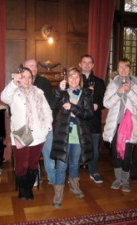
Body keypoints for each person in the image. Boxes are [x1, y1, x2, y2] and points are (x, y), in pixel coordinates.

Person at [1, 66, 52, 200]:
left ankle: (28, 189)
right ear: (18, 78)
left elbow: (47, 110)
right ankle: (22, 189)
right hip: (21, 133)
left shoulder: (38, 92)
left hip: (38, 134)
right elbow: (4, 97)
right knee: (21, 164)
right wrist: (13, 83)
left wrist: (47, 126)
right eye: (23, 77)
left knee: (33, 164)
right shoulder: (14, 92)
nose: (27, 80)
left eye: (29, 77)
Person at [50, 67, 94, 208]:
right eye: (71, 77)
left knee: (75, 163)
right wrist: (58, 91)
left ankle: (74, 186)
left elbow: (89, 114)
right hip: (64, 135)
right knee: (61, 165)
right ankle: (58, 193)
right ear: (67, 79)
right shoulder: (62, 93)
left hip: (79, 136)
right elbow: (53, 106)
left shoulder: (86, 94)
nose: (74, 80)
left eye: (77, 77)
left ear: (80, 79)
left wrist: (73, 108)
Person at [103, 58, 137, 192]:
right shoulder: (113, 84)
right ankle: (117, 178)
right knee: (116, 153)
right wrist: (118, 92)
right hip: (115, 125)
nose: (123, 70)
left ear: (129, 69)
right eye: (121, 67)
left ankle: (125, 180)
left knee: (126, 154)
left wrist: (129, 91)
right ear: (118, 69)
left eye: (126, 67)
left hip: (129, 125)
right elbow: (106, 104)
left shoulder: (136, 84)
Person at [23, 59, 55, 184]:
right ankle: (34, 178)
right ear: (24, 68)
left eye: (36, 66)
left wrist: (48, 123)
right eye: (31, 66)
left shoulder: (44, 82)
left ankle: (52, 177)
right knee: (32, 156)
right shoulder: (18, 83)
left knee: (49, 154)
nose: (34, 68)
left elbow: (50, 104)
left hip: (44, 125)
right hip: (27, 127)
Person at [79, 54, 106, 183]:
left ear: (93, 65)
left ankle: (93, 171)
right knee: (77, 148)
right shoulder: (75, 80)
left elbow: (104, 101)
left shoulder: (100, 82)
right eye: (84, 62)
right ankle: (74, 174)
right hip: (79, 120)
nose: (87, 65)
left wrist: (97, 105)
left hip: (94, 120)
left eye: (89, 62)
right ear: (80, 64)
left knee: (94, 149)